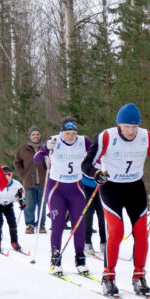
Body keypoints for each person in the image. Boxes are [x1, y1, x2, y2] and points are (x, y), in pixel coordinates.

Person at [83, 104, 150, 296]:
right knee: (116, 231)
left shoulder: (146, 137)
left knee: (141, 232)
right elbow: (86, 164)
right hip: (111, 189)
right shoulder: (106, 137)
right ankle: (108, 276)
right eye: (126, 127)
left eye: (134, 127)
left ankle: (139, 275)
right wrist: (96, 174)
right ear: (118, 125)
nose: (131, 131)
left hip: (135, 188)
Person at [34, 118, 94, 276]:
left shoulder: (83, 141)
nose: (70, 136)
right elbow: (36, 159)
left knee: (78, 225)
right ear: (62, 132)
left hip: (76, 188)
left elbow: (97, 154)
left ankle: (80, 260)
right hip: (56, 189)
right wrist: (45, 148)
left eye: (73, 133)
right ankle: (55, 259)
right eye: (67, 133)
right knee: (58, 223)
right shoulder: (54, 140)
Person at [15, 125, 47, 234]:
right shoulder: (23, 148)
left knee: (42, 205)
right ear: (29, 136)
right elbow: (17, 162)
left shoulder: (45, 147)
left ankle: (41, 225)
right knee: (29, 205)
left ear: (40, 135)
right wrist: (22, 174)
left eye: (37, 134)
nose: (35, 136)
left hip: (43, 182)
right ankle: (29, 225)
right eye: (33, 134)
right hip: (29, 182)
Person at [0, 166, 25, 252]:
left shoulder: (16, 183)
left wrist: (22, 201)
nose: (7, 177)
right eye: (4, 175)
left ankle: (14, 242)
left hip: (8, 204)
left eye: (9, 174)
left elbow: (21, 191)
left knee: (12, 221)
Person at [81, 169, 106, 257]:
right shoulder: (87, 155)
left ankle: (104, 242)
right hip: (87, 185)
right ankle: (87, 243)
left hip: (101, 186)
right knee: (89, 213)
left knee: (102, 213)